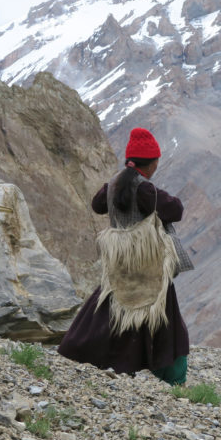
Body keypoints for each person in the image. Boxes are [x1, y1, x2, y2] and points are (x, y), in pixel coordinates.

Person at [58, 128, 189, 384]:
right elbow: (176, 210)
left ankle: (86, 352)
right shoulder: (145, 191)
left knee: (109, 310)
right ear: (151, 163)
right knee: (165, 322)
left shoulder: (114, 185)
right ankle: (172, 377)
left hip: (120, 266)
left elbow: (97, 205)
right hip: (149, 266)